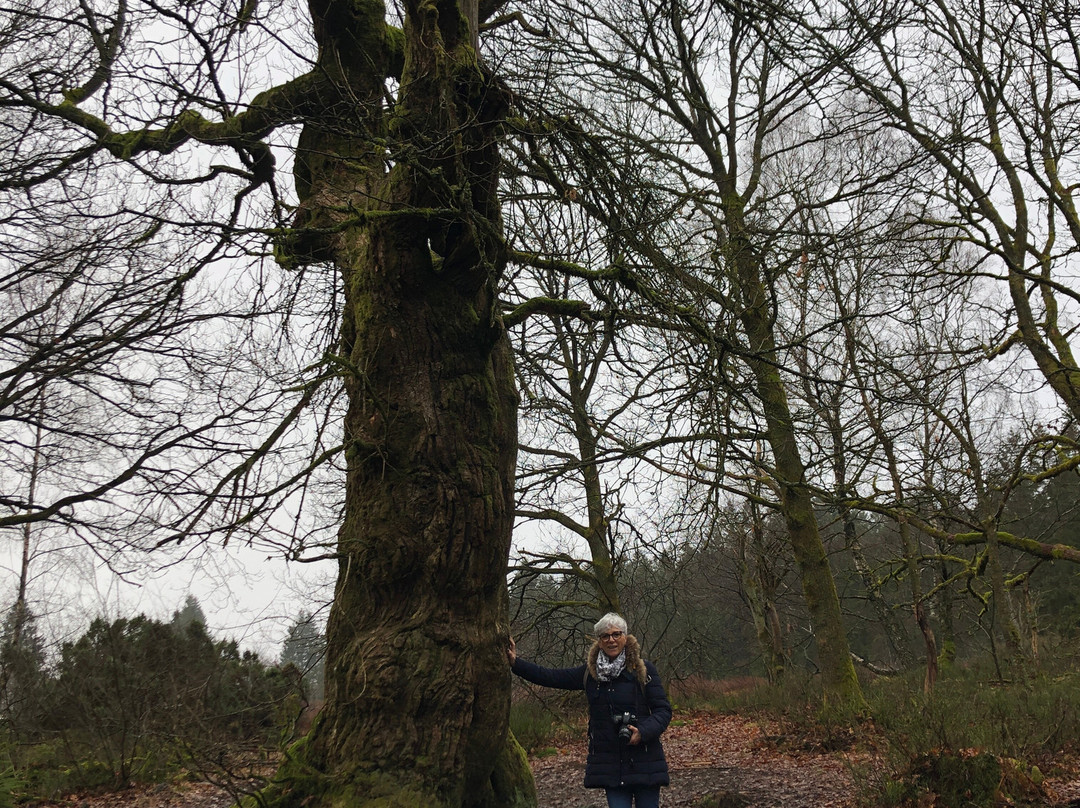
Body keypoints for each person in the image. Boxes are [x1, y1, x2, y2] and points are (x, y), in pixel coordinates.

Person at [508, 613, 672, 808]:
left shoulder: (643, 670)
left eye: (616, 634)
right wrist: (516, 663)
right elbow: (551, 677)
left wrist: (643, 732)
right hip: (610, 763)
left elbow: (663, 710)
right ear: (599, 642)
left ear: (625, 638)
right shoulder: (590, 673)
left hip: (645, 759)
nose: (611, 640)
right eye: (605, 636)